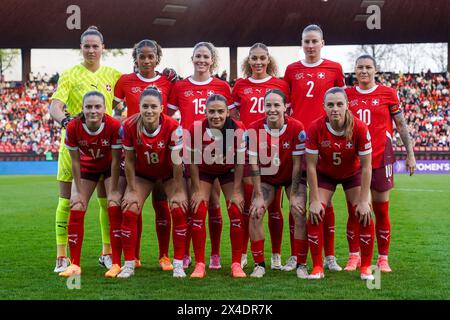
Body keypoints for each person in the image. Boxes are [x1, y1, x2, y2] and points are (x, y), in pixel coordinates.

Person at [49, 26, 122, 273]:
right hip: (74, 147)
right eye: (86, 46)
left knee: (106, 201)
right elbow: (56, 105)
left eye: (95, 46)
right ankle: (62, 256)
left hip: (104, 148)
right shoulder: (69, 74)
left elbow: (134, 97)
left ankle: (107, 253)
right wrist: (64, 121)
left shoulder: (114, 74)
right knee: (67, 200)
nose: (91, 50)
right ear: (81, 48)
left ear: (103, 48)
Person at [345, 55, 416, 272]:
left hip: (381, 157)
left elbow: (402, 126)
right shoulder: (347, 95)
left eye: (368, 67)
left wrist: (410, 154)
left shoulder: (388, 93)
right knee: (355, 210)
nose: (364, 71)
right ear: (354, 71)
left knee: (381, 210)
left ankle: (382, 258)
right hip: (355, 160)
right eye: (360, 68)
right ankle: (354, 255)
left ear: (375, 70)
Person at [283, 24, 346, 272]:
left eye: (314, 41)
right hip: (298, 143)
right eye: (306, 41)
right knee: (296, 200)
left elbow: (342, 102)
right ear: (301, 43)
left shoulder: (334, 68)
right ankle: (295, 256)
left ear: (322, 43)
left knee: (324, 203)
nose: (310, 46)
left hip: (325, 143)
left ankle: (329, 256)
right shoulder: (291, 70)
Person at [168, 42, 234, 270]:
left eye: (206, 56)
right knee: (192, 204)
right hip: (189, 152)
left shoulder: (222, 87)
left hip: (215, 153)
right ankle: (185, 254)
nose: (202, 60)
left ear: (212, 60)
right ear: (192, 58)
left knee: (214, 204)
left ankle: (214, 255)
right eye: (198, 56)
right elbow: (166, 115)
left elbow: (231, 119)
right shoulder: (180, 86)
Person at [113, 39, 175, 271]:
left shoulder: (167, 80)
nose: (146, 60)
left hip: (161, 151)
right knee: (133, 205)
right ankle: (134, 257)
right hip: (134, 148)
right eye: (142, 56)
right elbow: (111, 108)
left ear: (158, 58)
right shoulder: (124, 81)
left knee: (162, 205)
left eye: (151, 56)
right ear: (135, 58)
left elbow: (173, 114)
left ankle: (164, 256)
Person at [231, 43, 290, 270]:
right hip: (249, 150)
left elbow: (286, 112)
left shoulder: (279, 84)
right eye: (254, 58)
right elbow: (234, 112)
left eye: (262, 58)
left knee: (274, 207)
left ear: (268, 60)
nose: (258, 62)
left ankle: (275, 255)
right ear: (248, 60)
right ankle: (245, 253)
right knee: (250, 204)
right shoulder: (240, 85)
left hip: (274, 149)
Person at [305, 87, 374, 280]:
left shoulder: (359, 127)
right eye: (330, 104)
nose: (335, 108)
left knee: (364, 212)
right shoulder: (315, 127)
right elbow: (310, 166)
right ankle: (317, 267)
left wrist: (363, 200)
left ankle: (366, 267)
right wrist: (315, 199)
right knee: (315, 213)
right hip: (325, 175)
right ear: (324, 107)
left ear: (347, 105)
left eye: (339, 104)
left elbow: (367, 167)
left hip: (352, 175)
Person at [119, 87, 188, 278]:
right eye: (145, 106)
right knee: (130, 207)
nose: (149, 110)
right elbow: (130, 161)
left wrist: (179, 190)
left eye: (153, 107)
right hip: (143, 174)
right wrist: (132, 189)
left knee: (179, 207)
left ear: (162, 108)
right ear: (139, 107)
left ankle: (178, 264)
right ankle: (129, 264)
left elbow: (177, 161)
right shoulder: (130, 125)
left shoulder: (173, 126)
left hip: (167, 174)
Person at [58, 91, 122, 277]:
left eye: (97, 107)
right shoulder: (73, 127)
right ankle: (75, 264)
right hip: (87, 168)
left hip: (110, 167)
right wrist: (77, 190)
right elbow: (75, 162)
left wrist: (115, 190)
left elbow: (117, 161)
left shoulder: (114, 125)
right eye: (89, 107)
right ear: (83, 109)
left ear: (104, 109)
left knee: (113, 203)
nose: (93, 110)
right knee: (76, 204)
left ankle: (116, 263)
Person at [248, 89, 308, 278]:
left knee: (298, 211)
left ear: (285, 107)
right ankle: (259, 265)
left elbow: (298, 164)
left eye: (276, 105)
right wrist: (257, 196)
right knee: (255, 213)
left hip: (292, 178)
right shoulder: (254, 129)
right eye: (268, 105)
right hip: (267, 179)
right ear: (263, 107)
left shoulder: (297, 127)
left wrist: (295, 194)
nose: (272, 109)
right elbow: (254, 164)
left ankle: (301, 264)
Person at [187, 94, 247, 278]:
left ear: (228, 112)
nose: (216, 115)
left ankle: (236, 264)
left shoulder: (238, 128)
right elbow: (192, 161)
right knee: (198, 208)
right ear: (205, 112)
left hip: (228, 170)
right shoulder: (196, 128)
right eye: (211, 111)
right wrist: (197, 190)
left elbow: (239, 163)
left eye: (221, 111)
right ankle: (200, 265)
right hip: (204, 170)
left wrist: (237, 191)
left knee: (236, 209)